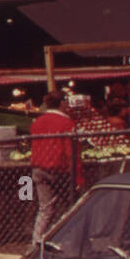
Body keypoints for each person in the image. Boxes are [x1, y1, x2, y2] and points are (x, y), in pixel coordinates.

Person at [30, 91, 84, 245]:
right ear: (62, 103)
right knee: (71, 207)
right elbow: (72, 153)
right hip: (60, 170)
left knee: (45, 209)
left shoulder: (37, 122)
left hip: (38, 168)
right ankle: (70, 241)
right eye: (66, 102)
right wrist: (78, 177)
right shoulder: (67, 123)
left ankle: (36, 242)